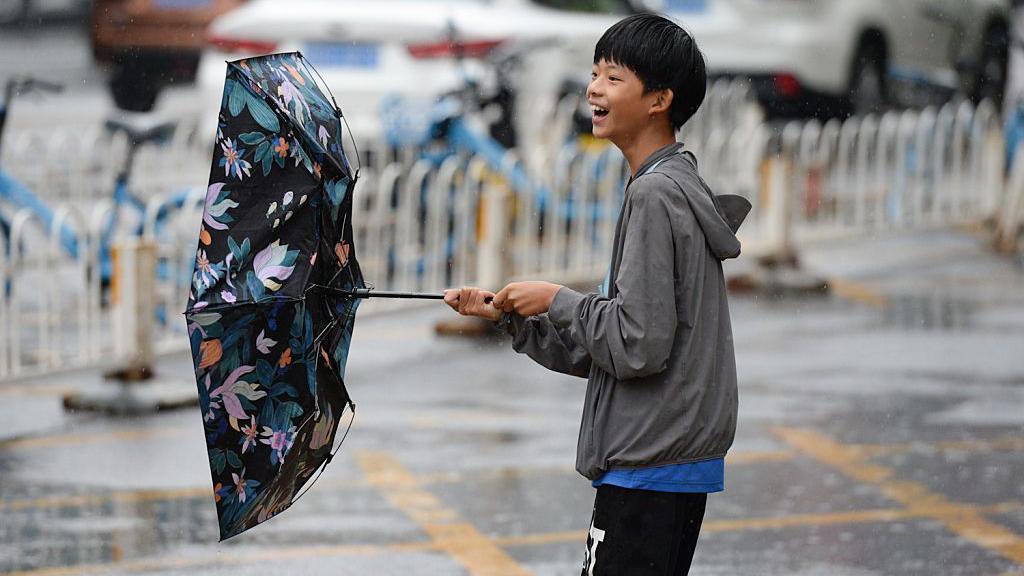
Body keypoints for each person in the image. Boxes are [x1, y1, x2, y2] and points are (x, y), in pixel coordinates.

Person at [444, 13, 742, 575]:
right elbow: (617, 347)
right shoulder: (664, 184)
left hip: (651, 457)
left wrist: (558, 298)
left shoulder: (656, 195)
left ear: (659, 100)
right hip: (661, 453)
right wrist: (510, 319)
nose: (594, 89)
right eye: (594, 73)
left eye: (613, 77)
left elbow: (636, 343)